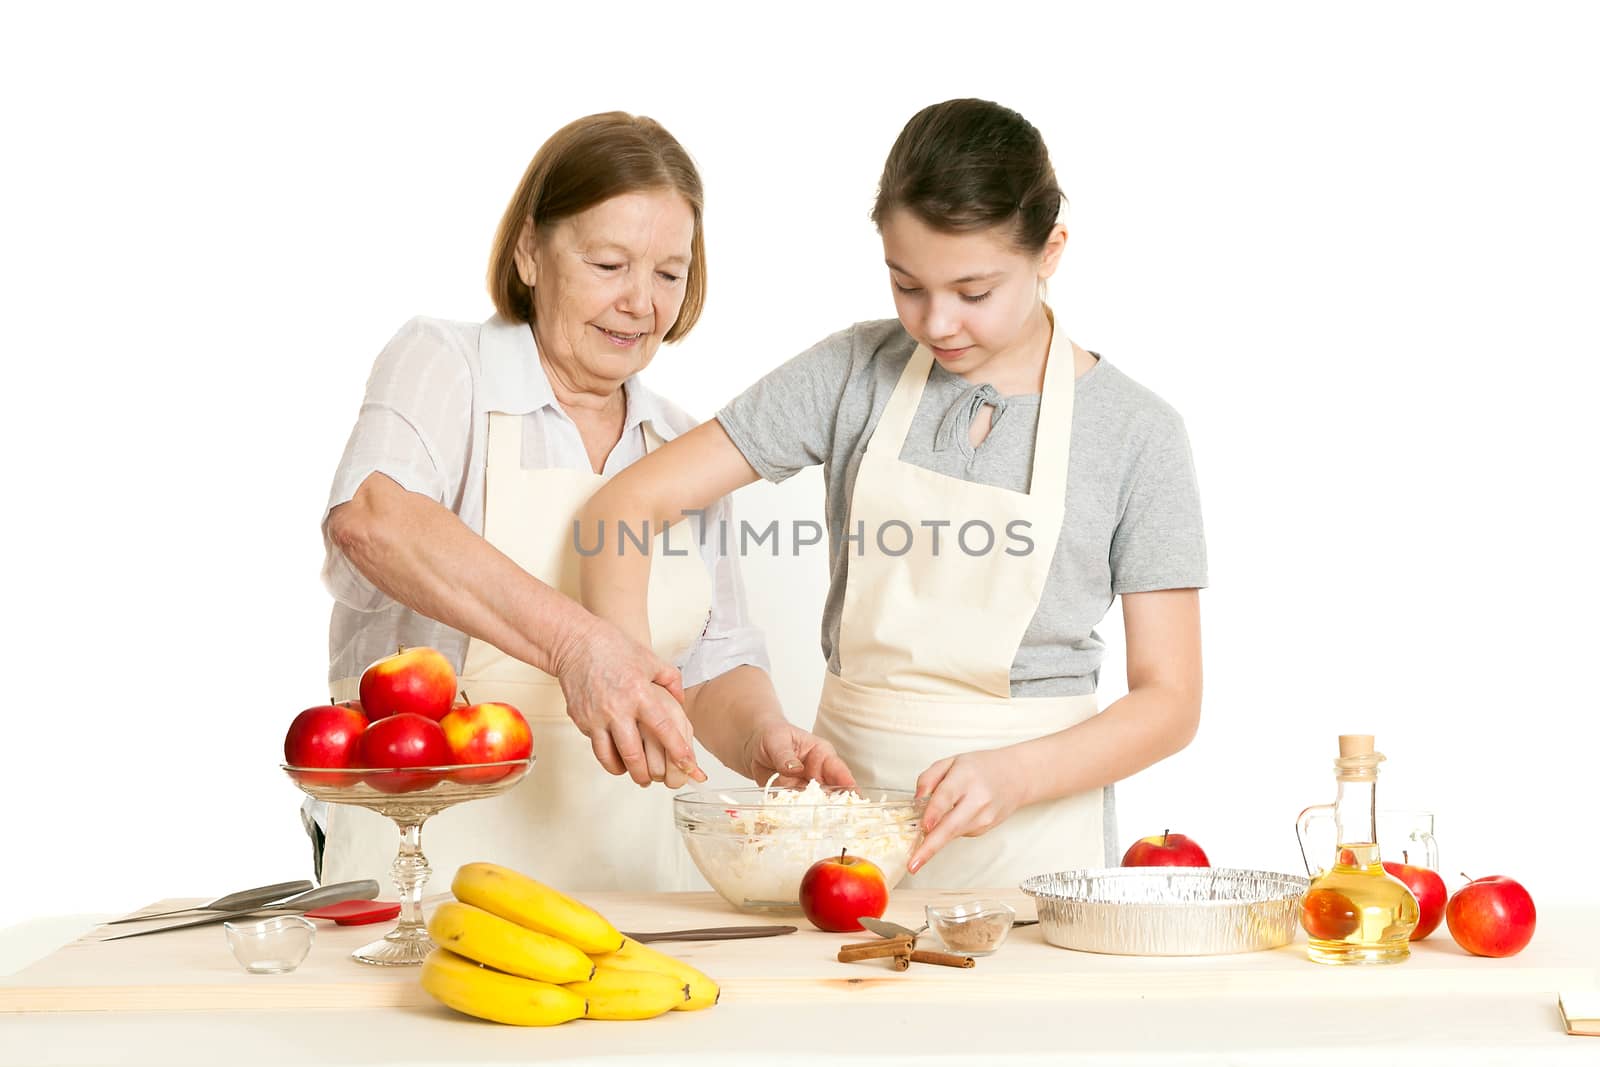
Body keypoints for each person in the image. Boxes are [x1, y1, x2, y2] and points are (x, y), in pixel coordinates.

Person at [577, 99, 1206, 889]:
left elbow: (1171, 699)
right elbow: (622, 508)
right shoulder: (854, 372)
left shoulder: (1138, 433)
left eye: (974, 291)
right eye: (907, 285)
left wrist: (1017, 774)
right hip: (844, 840)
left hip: (1034, 844)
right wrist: (637, 684)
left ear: (1051, 251)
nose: (936, 323)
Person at [316, 112, 852, 893]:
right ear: (531, 250)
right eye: (609, 263)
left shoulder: (676, 441)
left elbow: (709, 666)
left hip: (632, 875)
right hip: (427, 864)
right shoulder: (447, 366)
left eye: (670, 273)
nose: (641, 302)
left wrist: (765, 738)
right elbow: (373, 519)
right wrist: (578, 646)